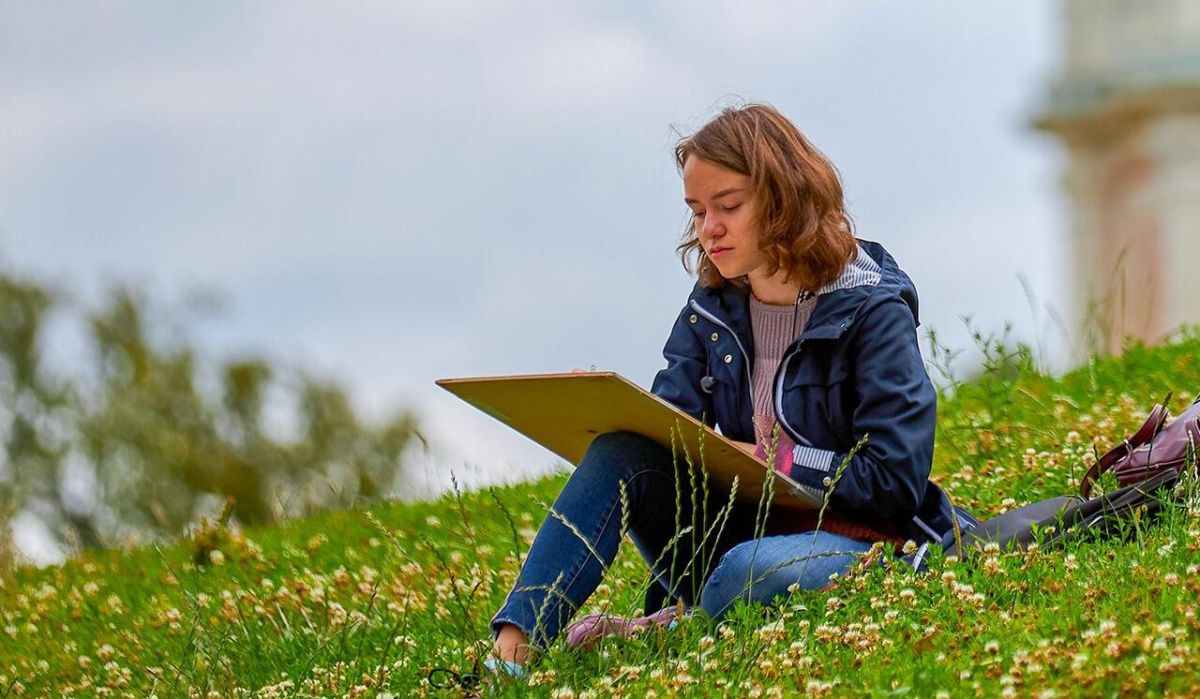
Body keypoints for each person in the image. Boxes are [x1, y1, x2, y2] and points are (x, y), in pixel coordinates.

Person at [488, 103, 966, 672]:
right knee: (622, 452)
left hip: (862, 542)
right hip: (736, 533)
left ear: (785, 198)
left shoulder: (872, 309)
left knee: (746, 572)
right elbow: (668, 438)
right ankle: (510, 657)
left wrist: (773, 459)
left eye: (729, 206)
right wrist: (602, 406)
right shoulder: (712, 306)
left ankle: (669, 629)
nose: (707, 229)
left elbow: (894, 481)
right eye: (696, 210)